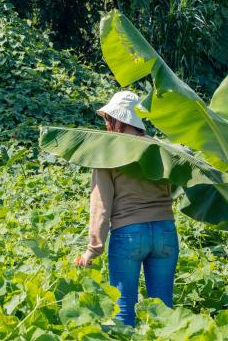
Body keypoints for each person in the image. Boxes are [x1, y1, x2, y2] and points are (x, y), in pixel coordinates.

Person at [75, 91, 178, 327]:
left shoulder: (107, 153)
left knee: (123, 315)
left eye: (107, 118)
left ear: (116, 120)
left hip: (129, 233)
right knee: (163, 314)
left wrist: (93, 249)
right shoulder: (160, 148)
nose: (105, 124)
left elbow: (101, 205)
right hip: (165, 232)